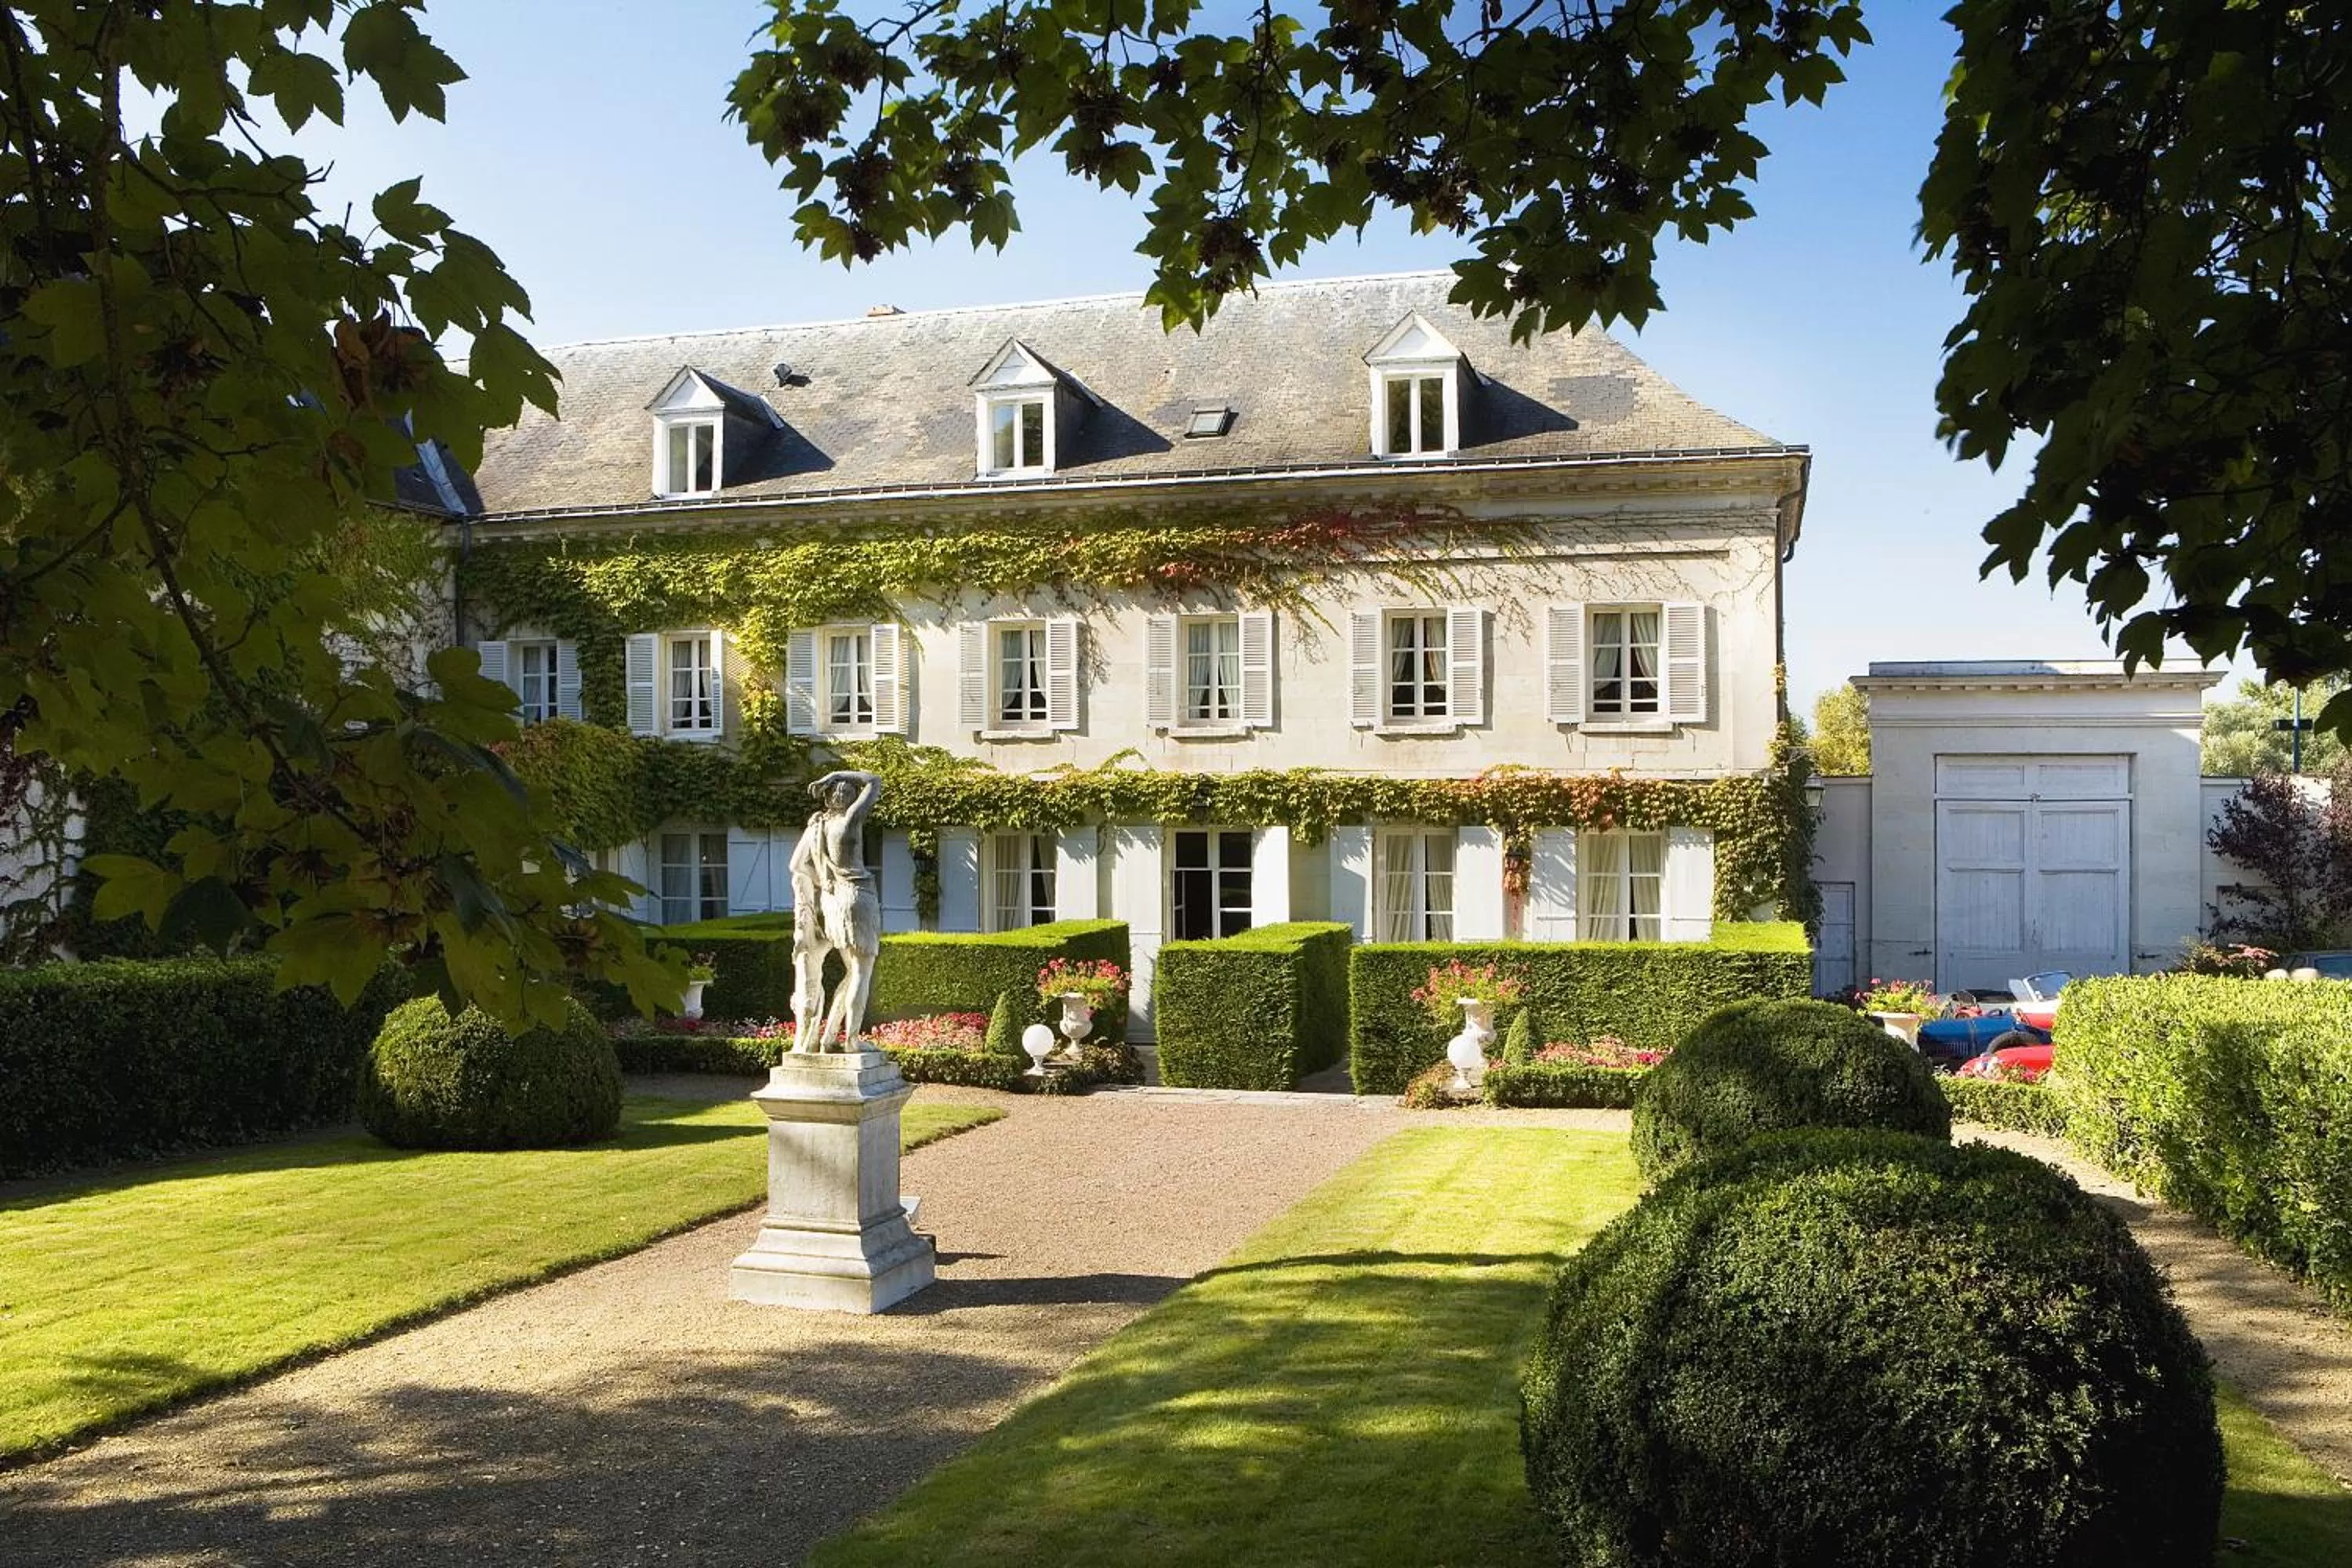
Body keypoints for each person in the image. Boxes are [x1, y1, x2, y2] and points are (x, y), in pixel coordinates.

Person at [787, 770, 883, 1052]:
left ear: (829, 799)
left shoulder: (818, 827)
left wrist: (824, 881)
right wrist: (837, 774)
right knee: (861, 972)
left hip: (832, 902)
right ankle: (852, 1041)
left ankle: (830, 1036)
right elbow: (874, 781)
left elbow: (797, 865)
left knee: (851, 972)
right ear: (850, 799)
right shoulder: (850, 821)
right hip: (858, 895)